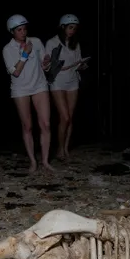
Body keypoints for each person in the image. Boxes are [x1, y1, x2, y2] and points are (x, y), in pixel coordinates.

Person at [2, 14, 53, 172]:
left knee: (45, 123)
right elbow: (15, 73)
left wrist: (46, 63)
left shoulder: (36, 41)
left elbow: (45, 67)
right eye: (19, 30)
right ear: (12, 32)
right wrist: (25, 54)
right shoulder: (7, 49)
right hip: (20, 88)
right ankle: (33, 162)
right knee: (27, 126)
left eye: (24, 29)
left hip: (39, 85)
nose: (23, 32)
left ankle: (45, 161)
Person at [44, 14, 89, 160]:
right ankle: (59, 149)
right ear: (62, 27)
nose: (72, 31)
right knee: (64, 116)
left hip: (72, 81)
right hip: (57, 81)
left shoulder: (75, 43)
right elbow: (47, 64)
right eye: (70, 27)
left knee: (70, 118)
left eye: (74, 28)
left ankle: (65, 149)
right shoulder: (52, 42)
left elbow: (78, 62)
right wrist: (48, 63)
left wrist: (82, 65)